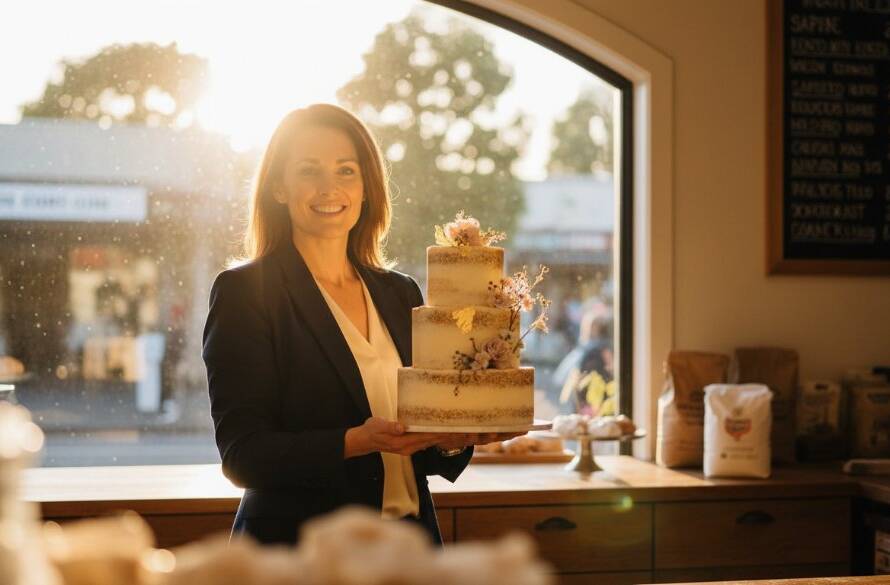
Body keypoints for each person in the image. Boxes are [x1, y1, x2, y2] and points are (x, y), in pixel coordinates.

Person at [202, 104, 516, 546]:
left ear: (367, 187)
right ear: (278, 187)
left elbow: (424, 449)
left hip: (408, 548)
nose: (330, 187)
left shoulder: (400, 293)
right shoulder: (245, 292)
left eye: (346, 170)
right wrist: (356, 441)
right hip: (300, 554)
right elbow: (243, 456)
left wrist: (452, 438)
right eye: (309, 170)